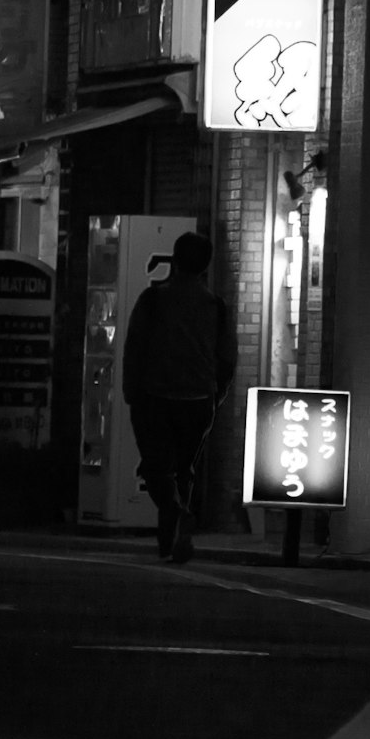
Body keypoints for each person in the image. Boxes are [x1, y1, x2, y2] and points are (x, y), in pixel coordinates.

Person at [117, 233, 234, 564]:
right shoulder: (216, 306)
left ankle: (175, 512)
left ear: (175, 260)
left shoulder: (154, 299)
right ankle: (171, 541)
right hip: (199, 400)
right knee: (184, 469)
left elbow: (134, 348)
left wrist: (131, 390)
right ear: (206, 266)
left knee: (156, 468)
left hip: (155, 396)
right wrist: (216, 395)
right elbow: (227, 358)